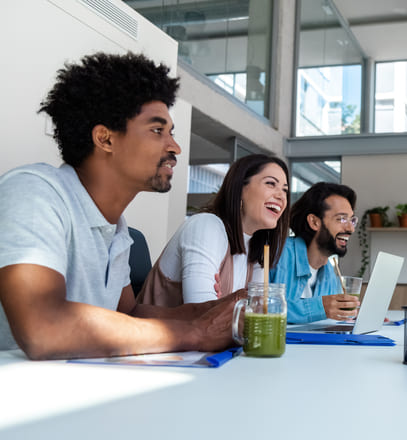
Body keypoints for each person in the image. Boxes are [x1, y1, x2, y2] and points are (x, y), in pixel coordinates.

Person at [0, 52, 242, 360]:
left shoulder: (117, 229)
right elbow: (42, 326)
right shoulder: (33, 192)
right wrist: (197, 332)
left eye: (171, 133)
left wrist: (217, 311)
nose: (175, 147)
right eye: (158, 130)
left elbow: (129, 313)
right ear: (105, 139)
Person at [137, 154, 290, 306]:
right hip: (158, 329)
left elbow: (258, 313)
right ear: (240, 189)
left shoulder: (256, 249)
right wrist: (235, 304)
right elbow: (202, 311)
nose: (281, 196)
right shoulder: (206, 226)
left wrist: (228, 305)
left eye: (285, 190)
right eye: (270, 184)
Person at [269, 182, 360, 323]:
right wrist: (320, 307)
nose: (351, 229)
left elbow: (330, 317)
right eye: (341, 219)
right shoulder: (277, 255)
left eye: (352, 220)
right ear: (314, 222)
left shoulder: (329, 271)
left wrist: (353, 315)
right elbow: (261, 308)